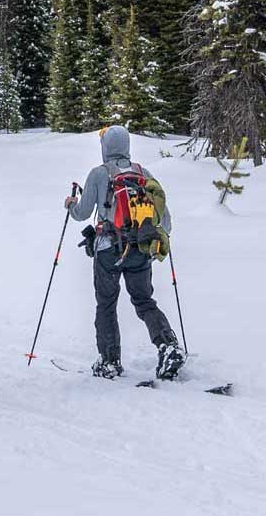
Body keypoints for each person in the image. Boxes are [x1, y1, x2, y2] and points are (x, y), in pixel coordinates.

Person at [64, 126, 183, 380]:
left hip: (108, 250)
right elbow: (166, 220)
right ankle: (168, 345)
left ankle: (109, 362)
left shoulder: (99, 174)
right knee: (144, 301)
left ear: (105, 147)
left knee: (106, 304)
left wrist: (71, 204)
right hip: (140, 249)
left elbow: (82, 213)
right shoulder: (143, 173)